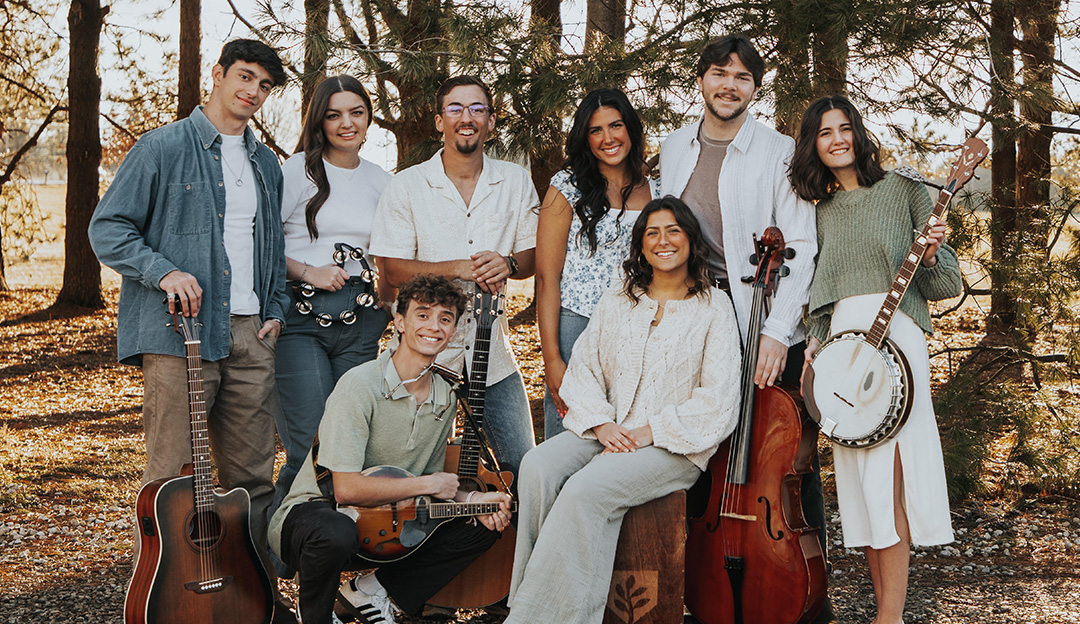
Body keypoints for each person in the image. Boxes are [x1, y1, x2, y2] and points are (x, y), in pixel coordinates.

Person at [88, 37, 289, 609]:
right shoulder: (162, 148)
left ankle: (254, 603)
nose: (253, 92)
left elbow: (269, 244)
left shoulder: (264, 161)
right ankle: (163, 603)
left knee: (253, 484)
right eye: (245, 77)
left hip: (251, 334)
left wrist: (274, 311)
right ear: (219, 75)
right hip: (180, 337)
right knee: (171, 484)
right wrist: (163, 270)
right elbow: (108, 229)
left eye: (264, 86)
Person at [659, 36, 834, 619]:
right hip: (698, 319)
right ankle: (707, 585)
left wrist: (778, 331)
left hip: (766, 311)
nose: (729, 85)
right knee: (706, 449)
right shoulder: (675, 146)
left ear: (755, 88)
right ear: (701, 81)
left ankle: (804, 592)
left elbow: (802, 247)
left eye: (742, 77)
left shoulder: (780, 152)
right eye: (718, 73)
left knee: (785, 463)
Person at [505, 197, 742, 624]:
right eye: (652, 232)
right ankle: (532, 603)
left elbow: (720, 399)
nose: (663, 240)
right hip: (610, 429)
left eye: (673, 231)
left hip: (673, 446)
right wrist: (600, 422)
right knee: (538, 467)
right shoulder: (620, 298)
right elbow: (585, 367)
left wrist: (652, 431)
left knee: (585, 489)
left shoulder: (714, 307)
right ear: (641, 246)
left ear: (690, 239)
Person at [790, 94, 959, 624]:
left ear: (858, 134)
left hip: (898, 341)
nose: (836, 139)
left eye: (844, 128)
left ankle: (890, 616)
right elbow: (823, 299)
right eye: (824, 132)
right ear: (813, 146)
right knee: (862, 486)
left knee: (890, 477)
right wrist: (815, 346)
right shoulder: (820, 213)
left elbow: (946, 282)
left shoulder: (903, 189)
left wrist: (933, 251)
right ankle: (886, 611)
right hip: (842, 348)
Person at [268, 274, 513, 624]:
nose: (434, 326)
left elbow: (430, 488)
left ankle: (373, 590)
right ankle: (315, 616)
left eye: (445, 318)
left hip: (389, 526)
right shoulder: (360, 385)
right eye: (423, 314)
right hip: (318, 516)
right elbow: (347, 489)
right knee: (335, 531)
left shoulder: (445, 396)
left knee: (481, 525)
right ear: (399, 322)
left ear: (454, 331)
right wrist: (429, 485)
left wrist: (474, 502)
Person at [369, 75, 539, 477]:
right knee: (407, 470)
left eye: (478, 109)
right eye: (456, 108)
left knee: (525, 466)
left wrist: (509, 264)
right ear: (438, 121)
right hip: (422, 355)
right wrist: (458, 268)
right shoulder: (407, 185)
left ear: (491, 122)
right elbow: (392, 269)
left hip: (490, 354)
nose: (467, 118)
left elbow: (533, 256)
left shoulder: (514, 182)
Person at [271, 75, 394, 544]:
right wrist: (308, 271)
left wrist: (389, 295)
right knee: (309, 447)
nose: (347, 123)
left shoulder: (383, 181)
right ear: (319, 120)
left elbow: (392, 251)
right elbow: (263, 247)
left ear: (369, 117)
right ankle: (283, 555)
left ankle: (337, 562)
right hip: (301, 324)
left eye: (357, 113)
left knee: (347, 450)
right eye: (334, 114)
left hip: (361, 328)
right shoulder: (294, 171)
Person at [535, 88, 659, 440]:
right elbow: (546, 278)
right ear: (584, 138)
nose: (608, 138)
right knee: (569, 440)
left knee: (622, 442)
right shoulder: (566, 188)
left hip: (638, 330)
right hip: (578, 326)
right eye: (595, 130)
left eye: (616, 125)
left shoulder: (658, 190)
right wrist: (553, 360)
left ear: (631, 129)